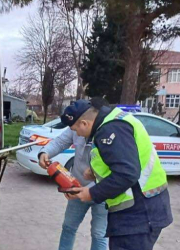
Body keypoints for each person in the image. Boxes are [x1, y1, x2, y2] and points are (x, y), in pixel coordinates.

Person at [61, 100, 172, 250]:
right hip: (141, 211)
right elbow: (125, 160)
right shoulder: (114, 121)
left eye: (75, 129)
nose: (77, 134)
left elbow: (126, 174)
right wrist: (95, 172)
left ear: (85, 123)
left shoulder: (110, 129)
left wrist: (92, 193)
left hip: (138, 215)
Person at [38, 98, 108, 250]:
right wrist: (44, 153)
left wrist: (90, 190)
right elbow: (60, 141)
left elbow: (113, 172)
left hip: (102, 191)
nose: (73, 132)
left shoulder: (107, 133)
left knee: (99, 234)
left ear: (84, 123)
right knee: (68, 227)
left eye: (75, 129)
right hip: (76, 187)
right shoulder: (75, 126)